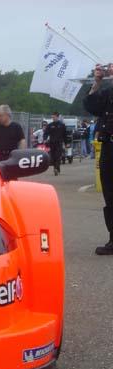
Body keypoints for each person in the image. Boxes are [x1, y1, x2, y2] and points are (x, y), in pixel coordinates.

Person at [83, 62, 113, 255]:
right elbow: (91, 105)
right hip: (109, 146)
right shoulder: (108, 93)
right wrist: (97, 82)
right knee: (110, 194)